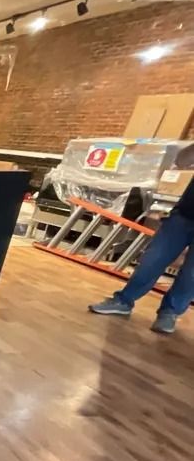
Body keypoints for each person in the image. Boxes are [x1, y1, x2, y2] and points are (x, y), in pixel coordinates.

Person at [89, 142, 194, 334]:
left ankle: (169, 313)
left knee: (191, 275)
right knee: (152, 259)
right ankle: (123, 300)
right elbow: (182, 161)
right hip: (184, 215)